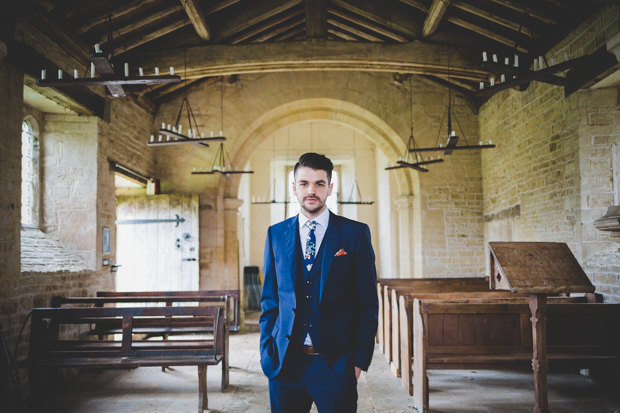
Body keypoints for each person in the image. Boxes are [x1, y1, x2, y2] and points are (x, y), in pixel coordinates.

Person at [259, 152, 379, 413]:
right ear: (294, 188)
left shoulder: (355, 234)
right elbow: (270, 300)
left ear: (330, 188)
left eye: (319, 184)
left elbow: (367, 303)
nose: (311, 191)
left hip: (335, 364)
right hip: (285, 364)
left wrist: (358, 361)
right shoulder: (276, 234)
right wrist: (268, 351)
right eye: (304, 183)